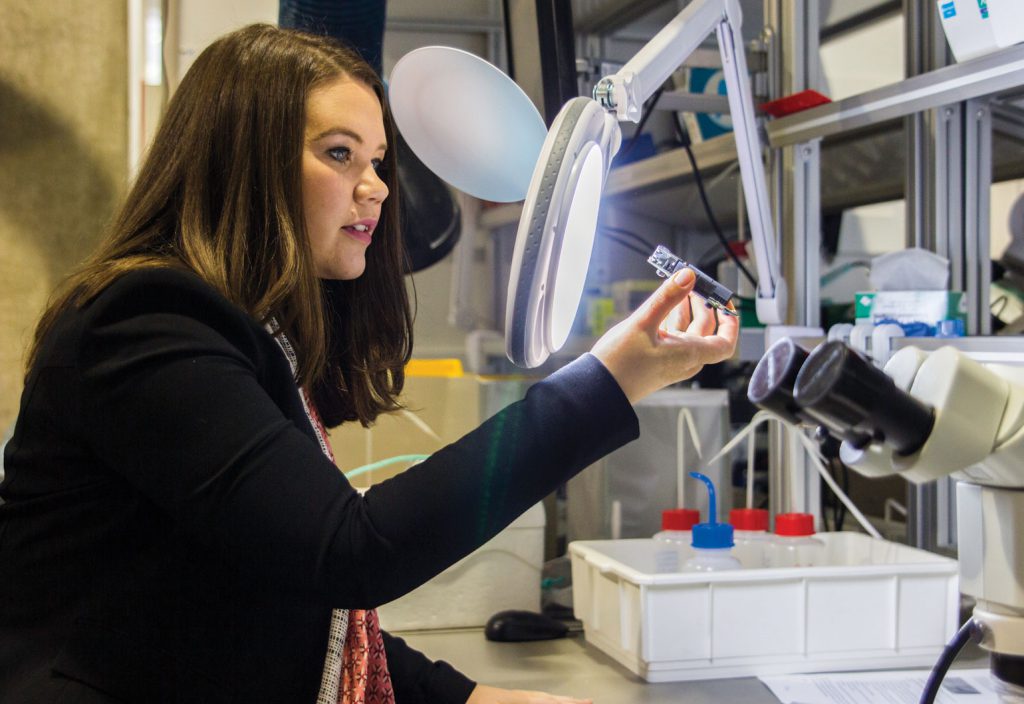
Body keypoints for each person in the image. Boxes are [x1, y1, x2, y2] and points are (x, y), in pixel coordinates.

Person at [0, 24, 738, 704]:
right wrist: (610, 381)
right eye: (339, 153)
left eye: (378, 160)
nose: (377, 186)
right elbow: (350, 552)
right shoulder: (145, 324)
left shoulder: (249, 332)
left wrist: (468, 699)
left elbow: (279, 607)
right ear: (245, 162)